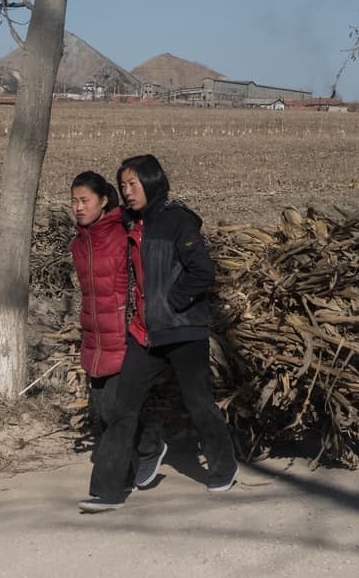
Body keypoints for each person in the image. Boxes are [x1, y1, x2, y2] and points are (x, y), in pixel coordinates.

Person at [79, 154, 238, 513]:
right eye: (123, 185)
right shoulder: (131, 223)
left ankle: (224, 467)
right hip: (145, 333)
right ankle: (108, 491)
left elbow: (203, 271)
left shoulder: (177, 221)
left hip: (182, 331)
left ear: (152, 182)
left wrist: (171, 302)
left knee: (199, 405)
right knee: (121, 409)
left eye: (133, 183)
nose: (127, 191)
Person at [68, 171, 167, 494]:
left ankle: (146, 451)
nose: (79, 208)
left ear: (104, 201)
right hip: (94, 337)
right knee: (106, 411)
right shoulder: (78, 245)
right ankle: (133, 462)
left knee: (115, 409)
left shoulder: (123, 234)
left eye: (85, 201)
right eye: (74, 201)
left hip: (125, 335)